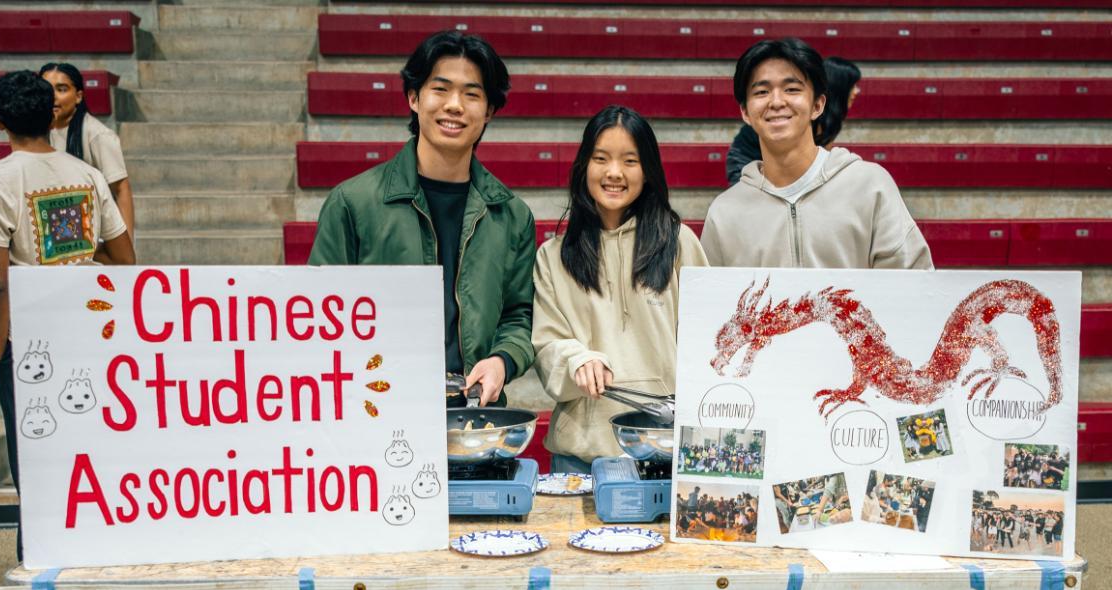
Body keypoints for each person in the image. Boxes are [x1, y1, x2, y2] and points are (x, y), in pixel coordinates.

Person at [309, 31, 535, 407]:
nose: (455, 106)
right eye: (441, 89)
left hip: (474, 413)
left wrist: (502, 361)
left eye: (472, 94)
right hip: (376, 410)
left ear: (490, 110)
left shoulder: (511, 215)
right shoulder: (353, 203)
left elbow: (518, 316)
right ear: (414, 98)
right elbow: (319, 317)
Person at [0, 70, 136, 559]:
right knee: (86, 446)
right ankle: (95, 551)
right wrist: (81, 256)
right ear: (52, 114)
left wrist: (0, 347)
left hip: (27, 338)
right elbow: (125, 259)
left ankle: (37, 557)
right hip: (84, 332)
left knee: (32, 454)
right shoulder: (88, 176)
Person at [532, 105, 709, 473]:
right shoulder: (554, 256)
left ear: (648, 171)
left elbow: (708, 342)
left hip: (666, 448)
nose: (614, 173)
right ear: (584, 167)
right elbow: (547, 344)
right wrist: (577, 358)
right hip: (580, 456)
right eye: (601, 159)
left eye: (630, 161)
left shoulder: (678, 243)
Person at [701, 38, 932, 270]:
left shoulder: (870, 187)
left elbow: (913, 288)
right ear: (745, 112)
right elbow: (712, 301)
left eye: (792, 89)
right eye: (762, 91)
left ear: (818, 105)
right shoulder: (724, 214)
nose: (777, 101)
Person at [725, 56, 862, 185]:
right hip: (745, 159)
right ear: (841, 87)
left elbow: (821, 161)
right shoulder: (808, 113)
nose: (857, 91)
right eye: (853, 85)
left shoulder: (830, 117)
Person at [39, 63, 135, 239]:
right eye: (46, 89)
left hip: (93, 236)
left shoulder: (97, 135)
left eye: (61, 89)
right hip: (55, 232)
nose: (52, 96)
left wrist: (127, 251)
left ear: (78, 96)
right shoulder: (37, 133)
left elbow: (121, 190)